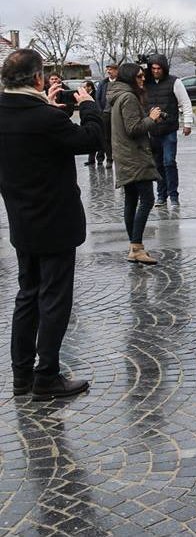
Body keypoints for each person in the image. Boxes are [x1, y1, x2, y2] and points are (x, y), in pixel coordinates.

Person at [0, 49, 103, 399]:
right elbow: (90, 139)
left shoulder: (13, 112)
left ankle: (21, 376)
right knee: (55, 300)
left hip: (22, 223)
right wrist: (88, 104)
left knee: (27, 295)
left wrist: (49, 108)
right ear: (38, 78)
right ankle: (47, 377)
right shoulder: (45, 118)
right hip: (56, 224)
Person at [109, 63, 164, 265]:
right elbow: (133, 129)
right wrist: (151, 118)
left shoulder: (118, 96)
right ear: (131, 78)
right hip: (135, 157)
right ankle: (136, 247)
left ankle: (134, 247)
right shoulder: (129, 97)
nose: (143, 79)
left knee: (131, 201)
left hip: (125, 156)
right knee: (147, 199)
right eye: (139, 76)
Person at [144, 54, 193, 208]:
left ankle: (173, 195)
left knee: (169, 162)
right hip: (153, 130)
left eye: (159, 68)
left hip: (169, 129)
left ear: (163, 68)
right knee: (158, 164)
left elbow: (185, 102)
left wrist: (188, 123)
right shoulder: (146, 83)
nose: (156, 71)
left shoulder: (175, 82)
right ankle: (161, 195)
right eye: (153, 68)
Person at [94, 65, 117, 165]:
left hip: (118, 113)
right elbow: (97, 98)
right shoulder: (103, 83)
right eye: (107, 69)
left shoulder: (121, 82)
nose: (109, 71)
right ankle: (109, 158)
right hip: (106, 113)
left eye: (111, 69)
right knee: (106, 136)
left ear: (117, 71)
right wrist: (101, 111)